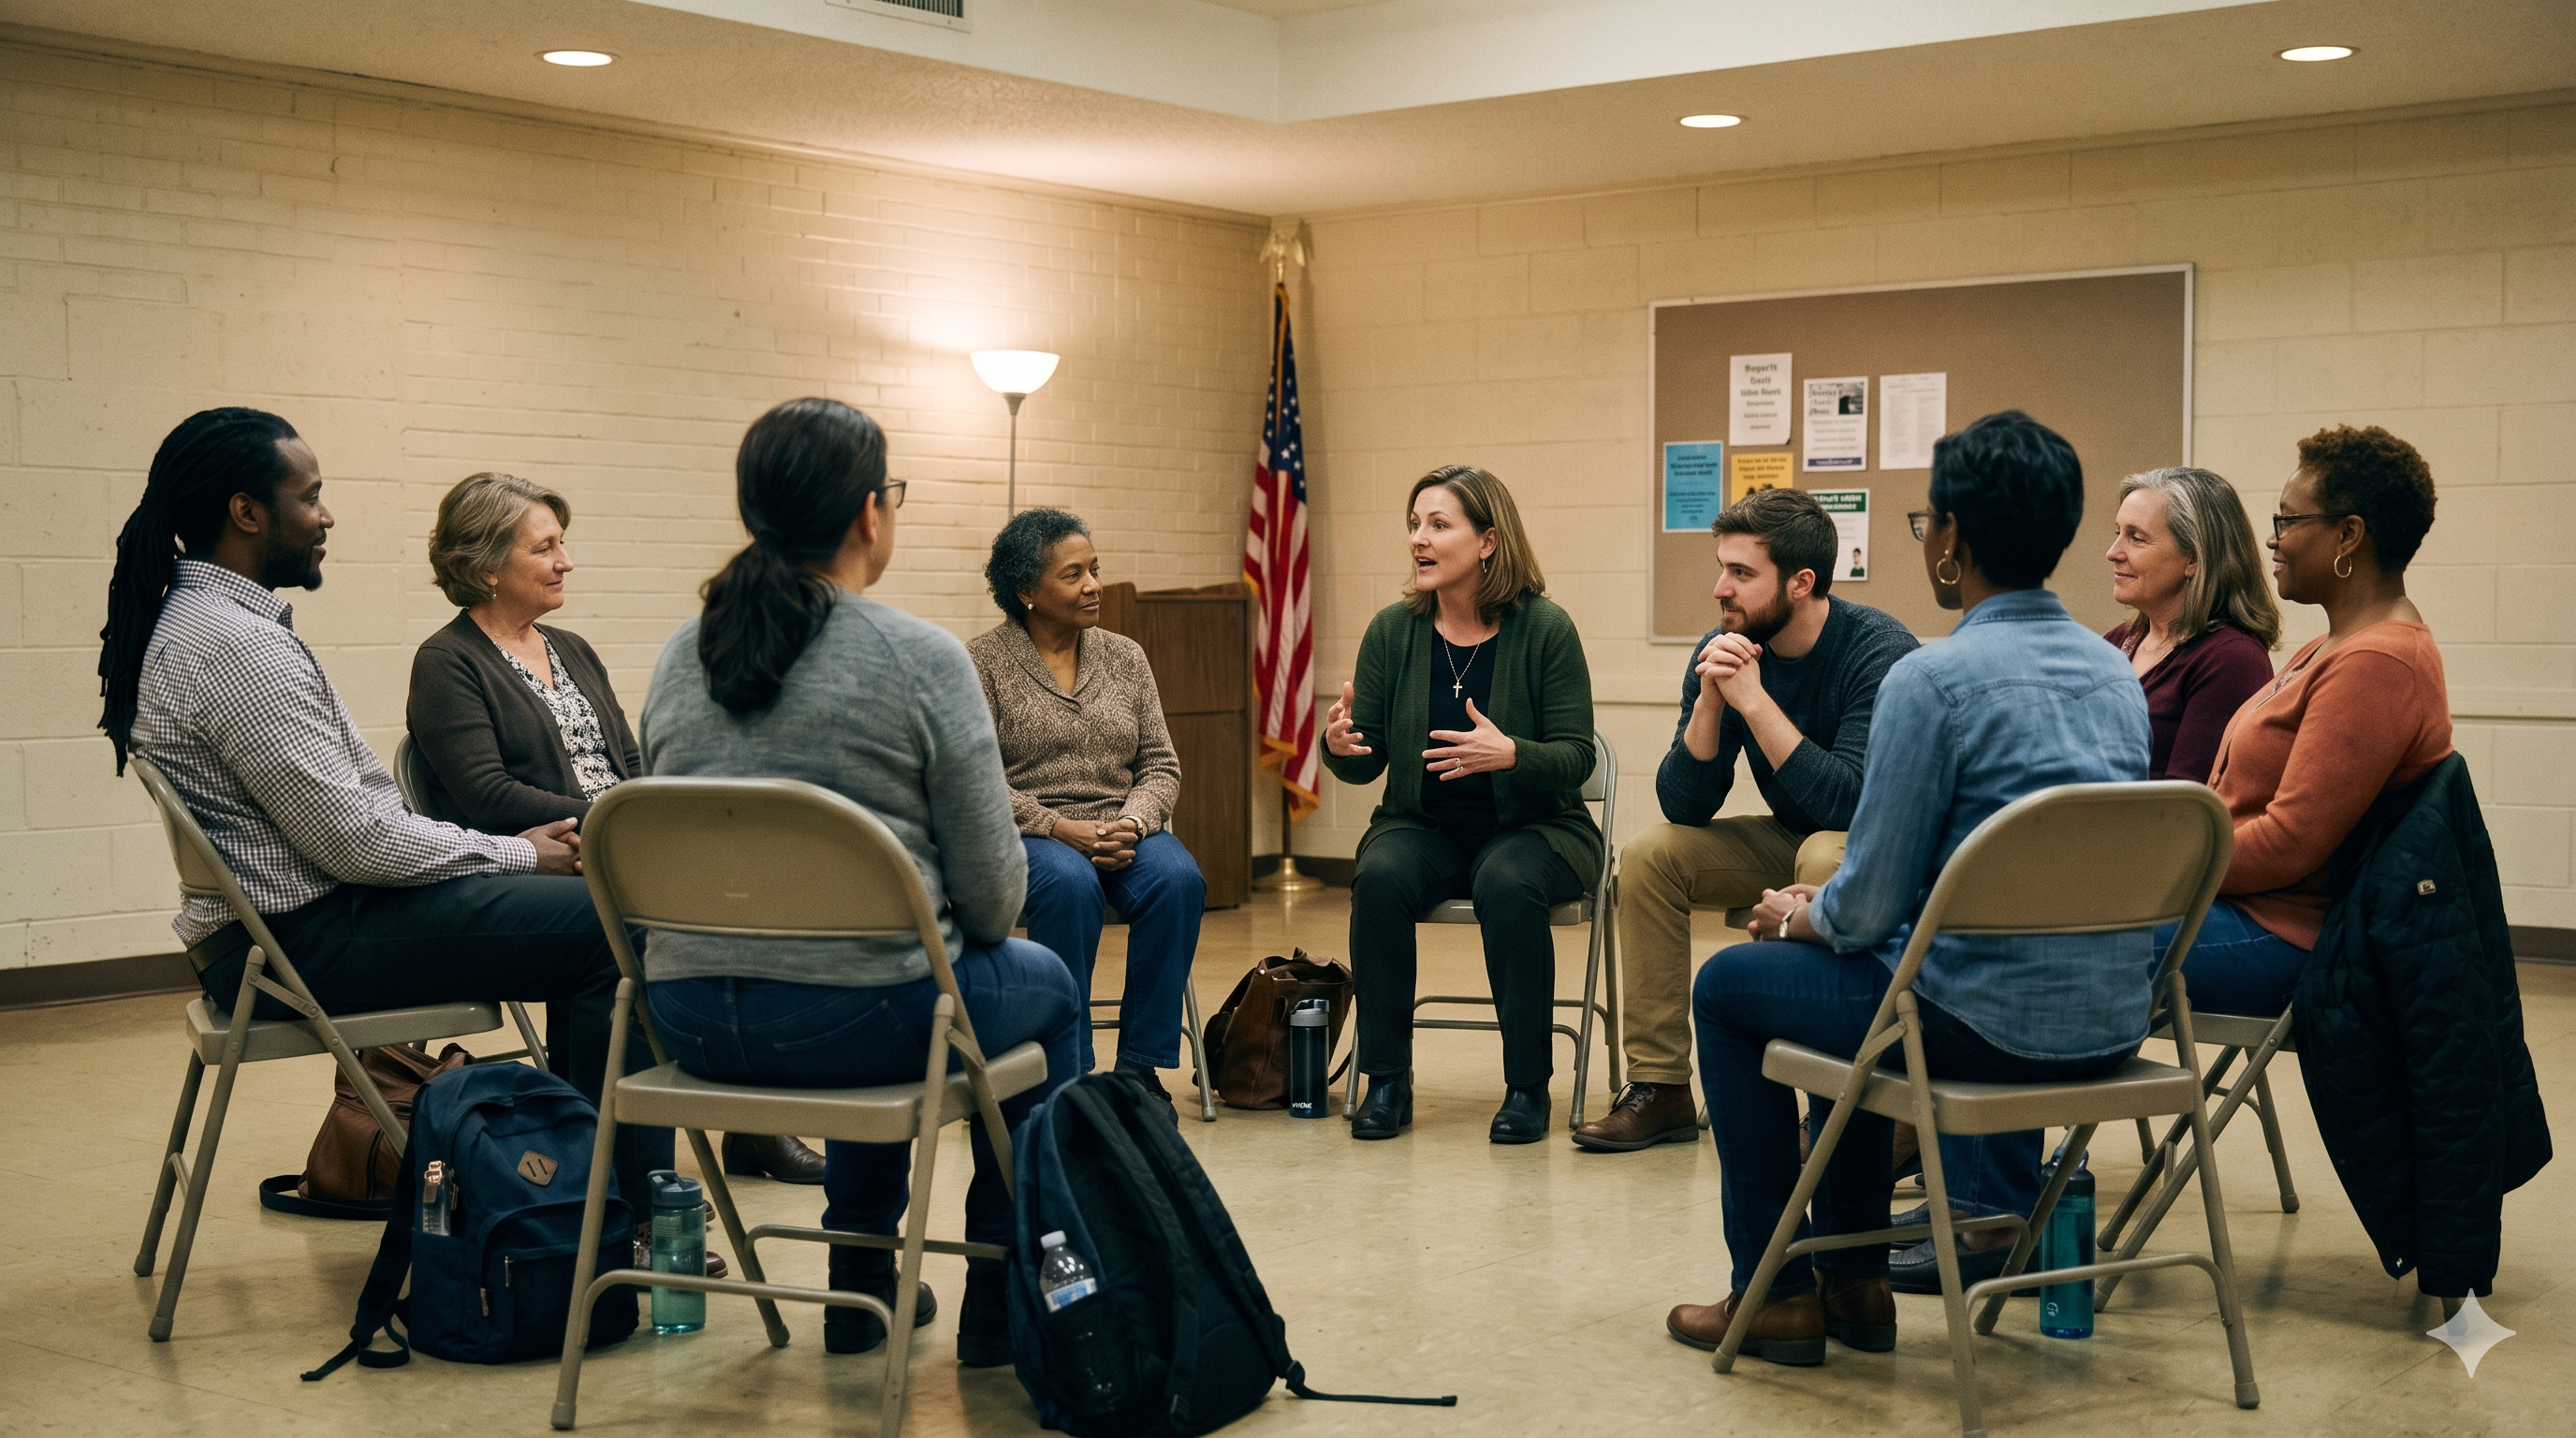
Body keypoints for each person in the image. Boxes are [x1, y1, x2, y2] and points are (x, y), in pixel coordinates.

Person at [97, 407, 671, 1231]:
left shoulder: (210, 624)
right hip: (304, 937)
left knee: (596, 923)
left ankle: (581, 1195)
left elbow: (356, 826)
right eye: (311, 496)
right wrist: (512, 856)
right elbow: (359, 842)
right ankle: (624, 1218)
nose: (326, 515)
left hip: (280, 930)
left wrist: (498, 854)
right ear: (247, 513)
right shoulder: (233, 646)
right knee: (610, 929)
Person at [1667, 411, 2153, 1364]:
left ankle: (1778, 1290)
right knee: (1858, 981)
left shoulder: (1933, 679)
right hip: (2109, 1025)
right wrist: (1837, 919)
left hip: (1978, 1027)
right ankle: (1855, 1287)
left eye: (1926, 522)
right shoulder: (2117, 674)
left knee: (1735, 986)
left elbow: (1867, 907)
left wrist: (1802, 916)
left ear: (1952, 541)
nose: (1925, 539)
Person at [638, 396, 1082, 1366]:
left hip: (686, 1019)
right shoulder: (918, 657)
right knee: (1034, 990)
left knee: (892, 975)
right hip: (854, 1023)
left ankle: (862, 1285)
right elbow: (997, 902)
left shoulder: (682, 653)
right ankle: (1010, 1303)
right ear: (869, 514)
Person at [406, 472, 823, 1186]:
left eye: (562, 544)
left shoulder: (570, 646)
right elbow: (484, 794)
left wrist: (652, 818)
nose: (566, 561)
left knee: (754, 901)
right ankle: (635, 1193)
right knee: (643, 937)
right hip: (539, 866)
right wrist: (613, 824)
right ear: (485, 567)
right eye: (545, 548)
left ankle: (752, 1121)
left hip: (618, 847)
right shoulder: (447, 661)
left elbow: (627, 760)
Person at [1573, 489, 1915, 1153]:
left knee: (1822, 853)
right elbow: (1686, 805)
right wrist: (1708, 704)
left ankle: (1836, 1094)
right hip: (1788, 835)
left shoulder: (1877, 649)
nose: (1718, 588)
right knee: (1651, 855)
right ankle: (1662, 1088)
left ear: (1801, 582)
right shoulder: (1725, 644)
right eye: (1721, 567)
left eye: (1740, 574)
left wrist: (1754, 704)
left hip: (1868, 844)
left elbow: (1847, 803)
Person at [1322, 464, 1601, 1145]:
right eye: (1415, 524)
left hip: (1537, 827)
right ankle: (1387, 1080)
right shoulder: (1393, 631)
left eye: (1439, 525)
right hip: (1425, 827)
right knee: (1381, 877)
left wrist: (1514, 756)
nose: (1420, 538)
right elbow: (1369, 761)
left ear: (1487, 542)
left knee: (1506, 881)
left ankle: (1527, 1087)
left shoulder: (1546, 629)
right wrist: (1341, 746)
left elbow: (1577, 756)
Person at [2182, 425, 2451, 1020]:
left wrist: (2165, 867)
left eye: (2288, 520)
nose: (2273, 540)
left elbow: (2288, 844)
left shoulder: (2377, 661)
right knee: (2035, 936)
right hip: (2236, 910)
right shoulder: (2325, 648)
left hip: (2284, 937)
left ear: (2348, 534)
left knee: (2049, 952)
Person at [967, 508, 1201, 1108]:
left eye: (1094, 570)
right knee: (1071, 886)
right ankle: (1064, 1074)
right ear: (1027, 592)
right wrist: (1057, 826)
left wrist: (1133, 822)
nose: (1094, 585)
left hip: (1122, 824)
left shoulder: (1126, 657)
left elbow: (1160, 764)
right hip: (1032, 832)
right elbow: (976, 783)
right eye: (1073, 575)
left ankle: (1139, 1073)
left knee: (1178, 880)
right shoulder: (982, 665)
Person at [2102, 466, 2281, 782]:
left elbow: (2183, 812)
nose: (2113, 552)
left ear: (2194, 559)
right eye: (2117, 533)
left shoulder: (2231, 660)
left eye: (2137, 538)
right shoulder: (2116, 643)